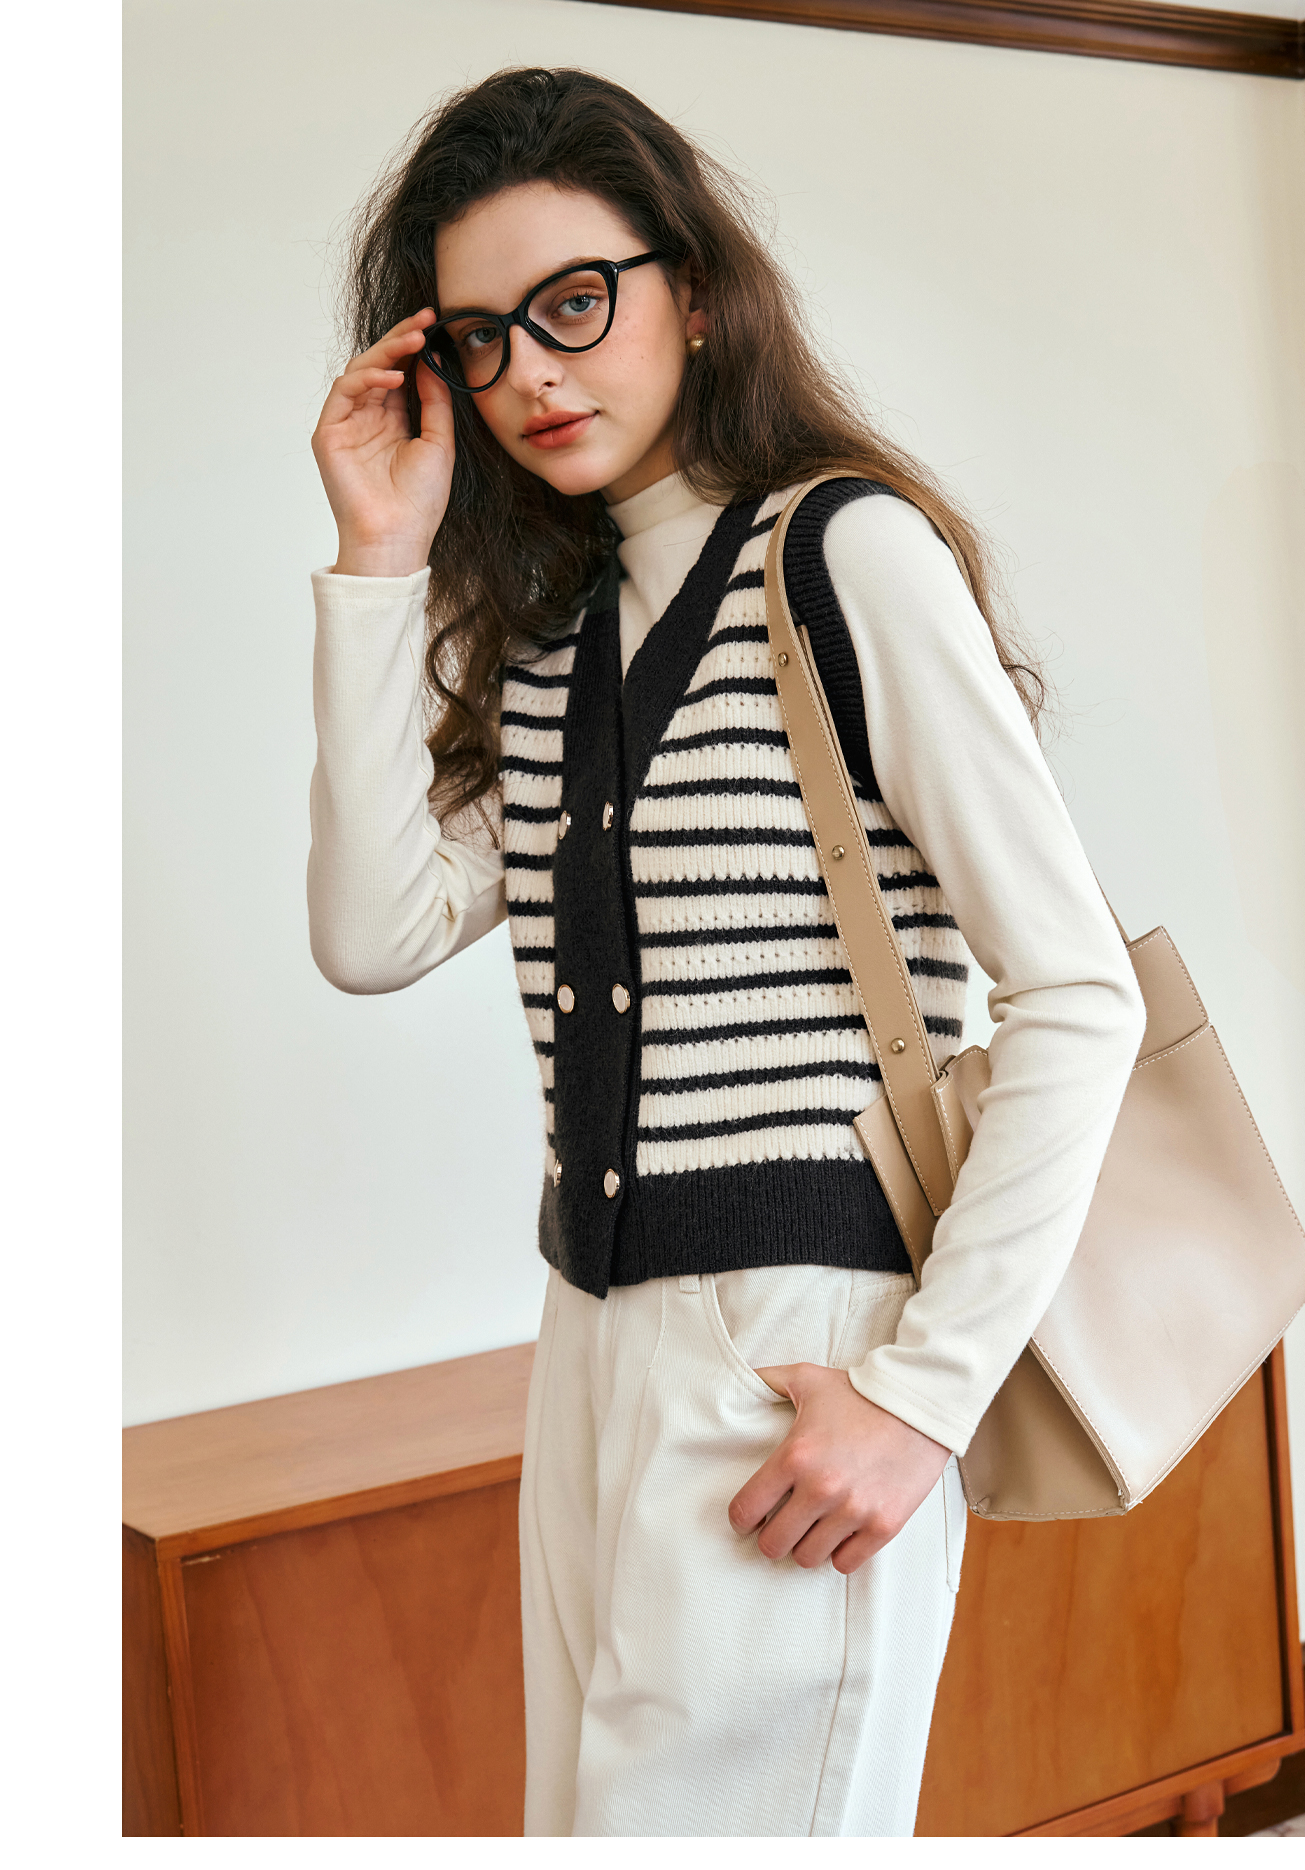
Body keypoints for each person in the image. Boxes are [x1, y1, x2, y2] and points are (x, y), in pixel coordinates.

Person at [307, 66, 1145, 1838]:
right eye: (481, 338)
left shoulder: (843, 558)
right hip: (590, 1336)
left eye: (574, 303)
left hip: (798, 1345)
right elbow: (373, 932)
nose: (532, 373)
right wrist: (378, 558)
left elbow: (1081, 994)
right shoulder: (555, 639)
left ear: (692, 290)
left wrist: (923, 1401)